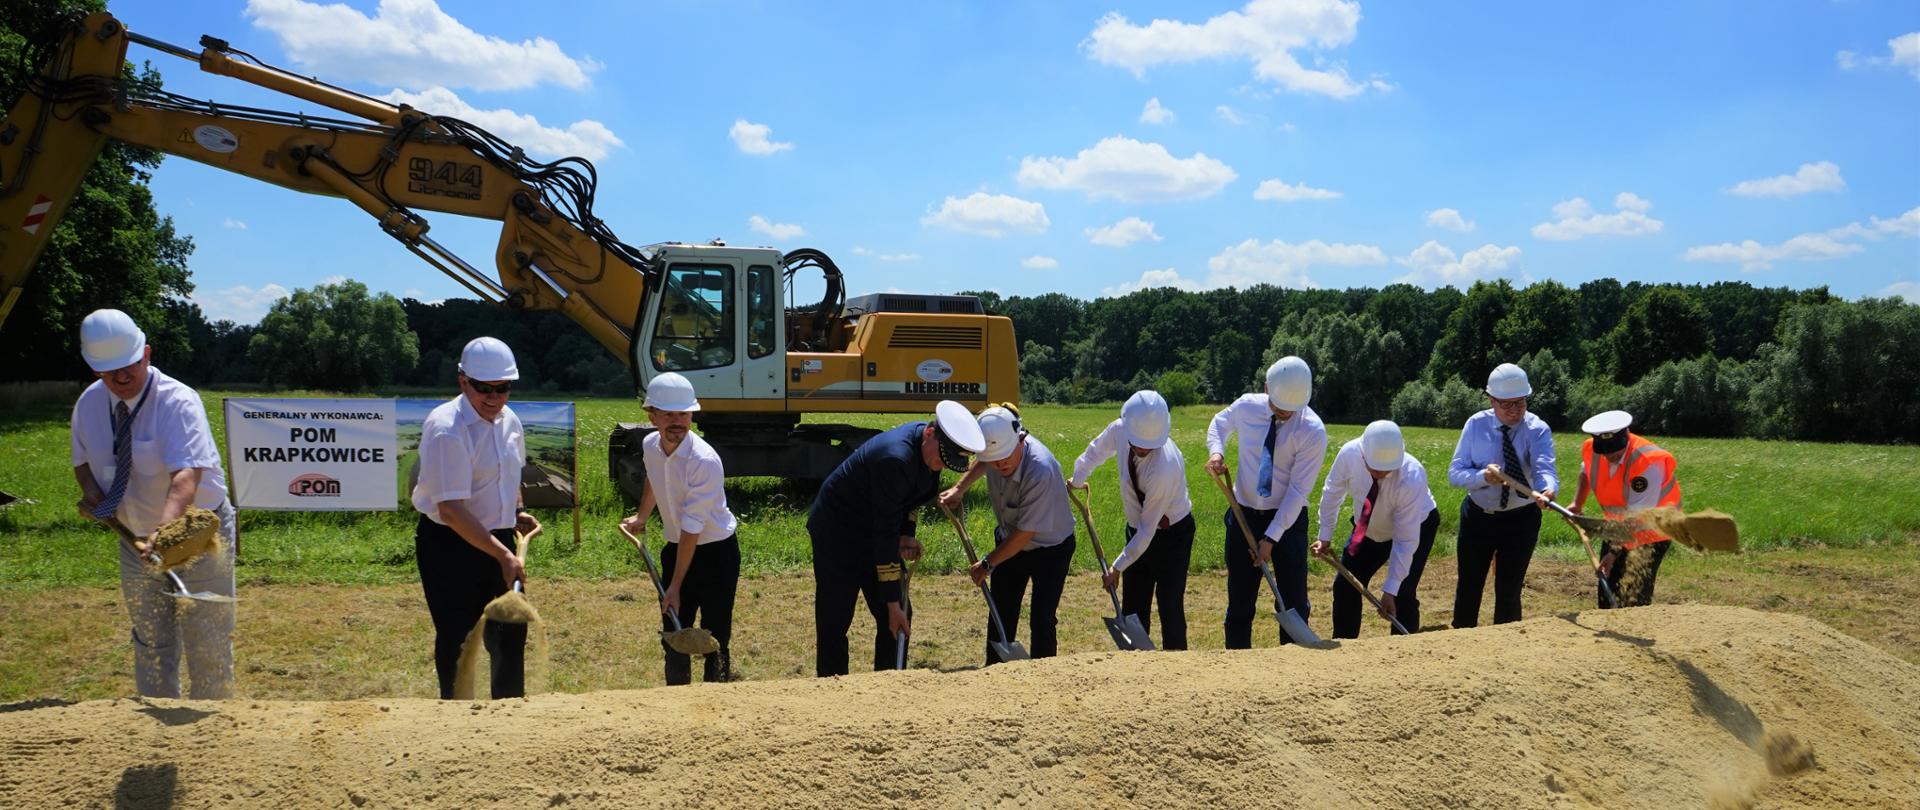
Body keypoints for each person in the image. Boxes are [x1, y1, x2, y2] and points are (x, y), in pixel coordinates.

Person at [70, 308, 236, 699]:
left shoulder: (178, 402)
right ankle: (153, 721)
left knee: (207, 639)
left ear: (146, 353)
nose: (121, 377)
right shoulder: (88, 405)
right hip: (134, 540)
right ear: (94, 369)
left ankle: (212, 723)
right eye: (109, 371)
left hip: (196, 535)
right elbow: (82, 463)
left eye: (129, 365)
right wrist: (92, 493)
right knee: (150, 639)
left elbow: (186, 477)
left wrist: (164, 534)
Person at [808, 400, 983, 676]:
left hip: (875, 528)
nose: (939, 466)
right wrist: (891, 604)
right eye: (941, 459)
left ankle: (888, 683)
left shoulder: (928, 450)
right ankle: (832, 684)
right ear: (929, 433)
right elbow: (884, 534)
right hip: (838, 534)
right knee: (836, 616)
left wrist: (906, 535)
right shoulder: (895, 459)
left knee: (901, 614)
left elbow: (911, 499)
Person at [411, 336, 540, 699]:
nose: (494, 397)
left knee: (511, 632)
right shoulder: (446, 430)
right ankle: (456, 715)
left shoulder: (510, 421)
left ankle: (507, 713)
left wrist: (516, 511)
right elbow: (451, 510)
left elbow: (509, 475)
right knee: (458, 637)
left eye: (503, 388)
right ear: (463, 381)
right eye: (484, 388)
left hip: (498, 539)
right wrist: (504, 556)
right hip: (450, 545)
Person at [621, 372, 740, 684]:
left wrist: (675, 586)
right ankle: (676, 696)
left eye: (683, 414)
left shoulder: (704, 461)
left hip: (716, 554)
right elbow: (654, 476)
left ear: (692, 415)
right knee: (674, 631)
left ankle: (719, 695)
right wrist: (642, 517)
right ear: (652, 416)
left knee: (715, 636)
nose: (677, 422)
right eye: (668, 414)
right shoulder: (651, 446)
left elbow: (692, 529)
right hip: (677, 548)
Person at [938, 404, 1077, 664]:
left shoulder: (1040, 469)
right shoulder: (995, 451)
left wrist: (988, 563)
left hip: (1051, 548)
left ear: (1020, 440)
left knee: (1042, 618)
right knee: (1000, 612)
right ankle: (995, 671)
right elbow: (983, 461)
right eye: (994, 459)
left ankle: (1045, 672)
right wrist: (959, 488)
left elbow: (1025, 533)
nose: (999, 464)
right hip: (1011, 539)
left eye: (1004, 457)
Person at [1205, 356, 1328, 647]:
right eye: (1279, 405)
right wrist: (1216, 453)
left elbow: (1298, 491)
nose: (1285, 413)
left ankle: (1293, 658)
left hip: (1288, 519)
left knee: (1293, 600)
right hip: (1244, 514)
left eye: (1291, 409)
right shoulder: (1247, 406)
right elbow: (1219, 424)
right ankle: (1237, 660)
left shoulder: (1312, 430)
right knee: (1240, 599)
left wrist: (1271, 537)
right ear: (1266, 388)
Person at [1067, 390, 1195, 650]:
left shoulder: (1164, 468)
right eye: (1137, 443)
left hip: (1172, 536)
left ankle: (1177, 662)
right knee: (1134, 604)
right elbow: (1095, 452)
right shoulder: (1120, 429)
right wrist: (1078, 478)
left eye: (1149, 445)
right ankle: (1134, 660)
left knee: (1170, 604)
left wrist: (1116, 567)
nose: (1142, 449)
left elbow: (1148, 531)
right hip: (1136, 530)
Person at [1447, 362, 1557, 628]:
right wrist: (1482, 477)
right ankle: (1461, 639)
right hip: (1478, 518)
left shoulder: (1537, 428)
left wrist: (1546, 489)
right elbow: (1455, 473)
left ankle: (1506, 644)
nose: (1515, 410)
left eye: (1520, 402)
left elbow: (1544, 467)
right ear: (1491, 400)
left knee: (1510, 590)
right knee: (1469, 586)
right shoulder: (1475, 425)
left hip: (1521, 520)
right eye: (1507, 404)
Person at [1313, 420, 1439, 638]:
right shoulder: (1349, 454)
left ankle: (1405, 650)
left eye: (1387, 469)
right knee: (1346, 585)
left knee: (1402, 593)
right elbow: (1332, 492)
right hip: (1369, 526)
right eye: (1374, 468)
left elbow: (1405, 540)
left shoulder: (1412, 476)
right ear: (1363, 455)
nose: (1380, 473)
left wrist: (1390, 590)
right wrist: (1325, 535)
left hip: (1416, 525)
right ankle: (1345, 645)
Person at [1570, 410, 1681, 608]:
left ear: (1626, 436)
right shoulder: (1593, 450)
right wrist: (1577, 504)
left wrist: (1613, 553)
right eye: (1604, 450)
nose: (1609, 455)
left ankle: (1636, 623)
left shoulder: (1647, 462)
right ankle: (1608, 622)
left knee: (1634, 594)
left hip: (1651, 532)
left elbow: (1636, 517)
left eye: (1615, 450)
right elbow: (1586, 471)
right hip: (1618, 527)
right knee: (1607, 589)